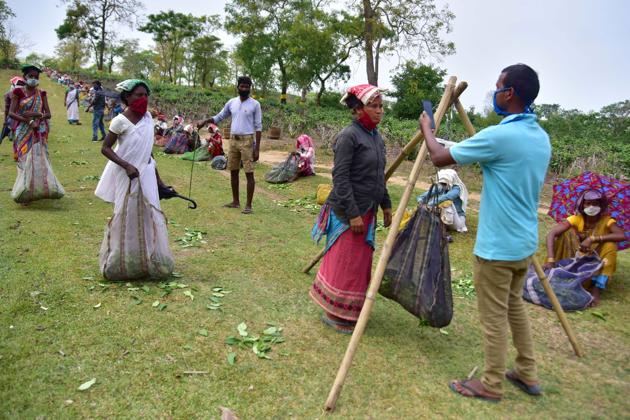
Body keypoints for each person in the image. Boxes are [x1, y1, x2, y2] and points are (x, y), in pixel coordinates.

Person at [419, 64, 550, 401]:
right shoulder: (539, 136)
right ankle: (526, 371)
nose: (494, 91)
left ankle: (491, 384)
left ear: (510, 94)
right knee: (513, 308)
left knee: (493, 319)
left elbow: (438, 158)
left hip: (497, 247)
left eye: (498, 86)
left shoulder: (501, 136)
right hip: (523, 244)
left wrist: (427, 129)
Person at [309, 84, 393, 333]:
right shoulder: (349, 136)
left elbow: (379, 176)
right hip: (349, 212)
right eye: (374, 106)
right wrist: (354, 214)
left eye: (381, 107)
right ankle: (336, 313)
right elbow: (341, 178)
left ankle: (350, 311)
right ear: (358, 110)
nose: (380, 111)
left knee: (359, 264)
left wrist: (386, 205)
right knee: (346, 263)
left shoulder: (376, 138)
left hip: (368, 209)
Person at [543, 190, 625, 307]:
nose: (591, 207)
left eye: (595, 203)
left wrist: (593, 239)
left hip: (596, 255)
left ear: (601, 206)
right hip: (576, 255)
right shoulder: (577, 219)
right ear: (582, 205)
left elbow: (621, 235)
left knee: (610, 245)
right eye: (588, 203)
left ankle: (596, 288)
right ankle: (561, 270)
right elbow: (552, 234)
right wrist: (550, 259)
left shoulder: (607, 221)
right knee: (567, 233)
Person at [196, 76, 262, 214]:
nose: (244, 89)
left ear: (250, 88)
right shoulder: (232, 102)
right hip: (233, 140)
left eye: (247, 86)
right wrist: (204, 121)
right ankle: (235, 201)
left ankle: (248, 205)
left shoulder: (255, 104)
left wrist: (257, 149)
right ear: (237, 87)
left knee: (249, 173)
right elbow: (219, 116)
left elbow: (258, 127)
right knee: (233, 171)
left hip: (247, 140)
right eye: (242, 86)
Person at [8, 64, 51, 162]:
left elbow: (48, 114)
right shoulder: (18, 92)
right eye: (31, 76)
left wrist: (37, 115)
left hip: (39, 129)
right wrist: (29, 121)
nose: (33, 79)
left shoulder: (41, 93)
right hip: (23, 129)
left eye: (36, 77)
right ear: (24, 77)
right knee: (24, 159)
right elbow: (11, 113)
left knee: (39, 159)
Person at [417, 168, 469, 236]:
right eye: (441, 183)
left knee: (446, 203)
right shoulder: (444, 186)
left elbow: (447, 197)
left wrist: (429, 204)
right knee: (435, 198)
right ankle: (439, 224)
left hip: (458, 221)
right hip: (448, 217)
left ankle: (444, 227)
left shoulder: (457, 189)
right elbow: (431, 192)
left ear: (450, 180)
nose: (442, 185)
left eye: (444, 183)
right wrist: (421, 200)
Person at [2, 76, 25, 144]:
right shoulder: (9, 94)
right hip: (15, 116)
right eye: (19, 84)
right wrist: (5, 119)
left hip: (19, 116)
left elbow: (7, 109)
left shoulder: (10, 94)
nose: (20, 85)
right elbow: (7, 109)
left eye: (21, 84)